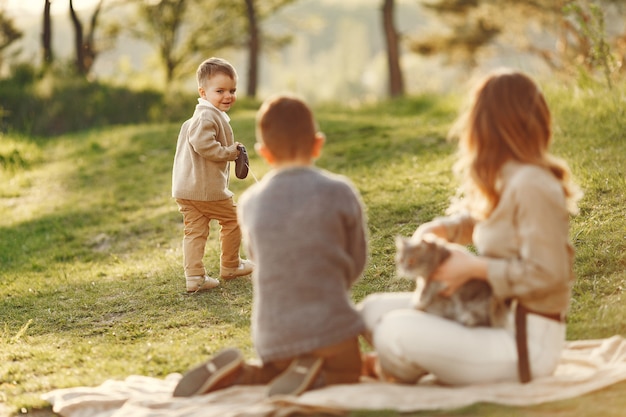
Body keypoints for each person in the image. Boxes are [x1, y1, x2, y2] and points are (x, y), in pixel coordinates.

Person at [358, 69, 582, 386]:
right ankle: (414, 362)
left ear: (485, 126)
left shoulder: (533, 184)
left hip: (523, 343)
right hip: (486, 317)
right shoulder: (508, 176)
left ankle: (386, 368)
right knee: (372, 312)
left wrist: (476, 268)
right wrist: (442, 229)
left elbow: (549, 274)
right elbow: (485, 220)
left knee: (392, 330)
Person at [172, 94, 369, 398]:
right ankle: (317, 373)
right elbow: (356, 262)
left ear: (264, 153)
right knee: (349, 370)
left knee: (272, 371)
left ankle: (244, 373)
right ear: (318, 144)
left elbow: (262, 256)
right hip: (331, 329)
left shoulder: (251, 202)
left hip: (274, 337)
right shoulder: (340, 192)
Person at [172, 57, 253, 293]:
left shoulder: (201, 115)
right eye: (220, 91)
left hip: (187, 190)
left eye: (232, 90)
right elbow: (202, 144)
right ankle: (231, 265)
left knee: (195, 232)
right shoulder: (207, 116)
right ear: (203, 92)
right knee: (235, 219)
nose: (228, 96)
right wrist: (228, 152)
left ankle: (195, 277)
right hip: (207, 191)